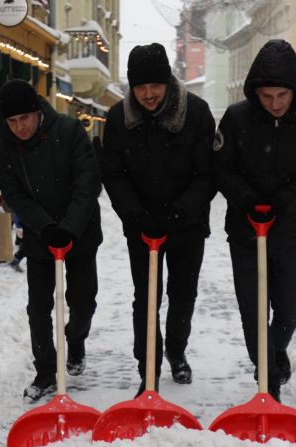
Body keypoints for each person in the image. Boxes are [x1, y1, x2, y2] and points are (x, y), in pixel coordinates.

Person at [211, 39, 296, 402]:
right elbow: (220, 167)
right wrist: (247, 198)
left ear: (294, 90)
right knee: (253, 312)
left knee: (290, 308)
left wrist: (287, 198)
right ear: (255, 92)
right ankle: (267, 385)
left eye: (281, 95)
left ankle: (274, 353)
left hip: (290, 229)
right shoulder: (237, 118)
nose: (274, 104)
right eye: (266, 96)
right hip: (245, 231)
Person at [102, 43, 217, 396]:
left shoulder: (196, 113)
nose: (148, 94)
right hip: (142, 226)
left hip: (187, 223)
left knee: (183, 294)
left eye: (155, 86)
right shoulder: (119, 118)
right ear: (132, 87)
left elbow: (208, 173)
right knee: (146, 297)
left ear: (167, 81)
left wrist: (180, 211)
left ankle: (176, 350)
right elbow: (114, 173)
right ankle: (147, 371)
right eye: (140, 87)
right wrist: (135, 213)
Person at [0, 79, 102, 402]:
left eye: (24, 118)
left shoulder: (68, 131)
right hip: (41, 237)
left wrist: (68, 227)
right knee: (38, 308)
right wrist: (45, 226)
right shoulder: (3, 146)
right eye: (12, 121)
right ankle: (45, 370)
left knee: (83, 301)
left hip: (80, 233)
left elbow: (87, 182)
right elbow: (14, 194)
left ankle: (75, 340)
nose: (19, 127)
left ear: (38, 112)